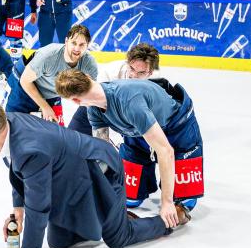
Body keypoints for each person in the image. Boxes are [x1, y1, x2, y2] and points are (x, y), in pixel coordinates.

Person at [0, 99, 190, 248]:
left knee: (118, 238)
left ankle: (169, 219)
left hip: (100, 170)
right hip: (72, 177)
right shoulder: (6, 121)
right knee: (59, 242)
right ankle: (113, 213)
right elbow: (17, 169)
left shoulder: (30, 150)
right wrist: (17, 212)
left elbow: (38, 210)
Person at [55, 69, 204, 218]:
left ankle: (180, 202)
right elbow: (103, 156)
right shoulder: (94, 111)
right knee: (131, 198)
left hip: (177, 128)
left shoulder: (130, 102)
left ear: (75, 100)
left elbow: (166, 151)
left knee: (185, 200)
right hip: (137, 131)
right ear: (87, 77)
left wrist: (167, 202)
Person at [6, 24, 98, 125]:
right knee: (13, 128)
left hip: (53, 94)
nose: (77, 48)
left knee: (57, 134)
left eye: (82, 45)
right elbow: (25, 81)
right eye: (74, 43)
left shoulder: (89, 64)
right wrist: (45, 107)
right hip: (24, 89)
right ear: (66, 41)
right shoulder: (48, 55)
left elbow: (90, 91)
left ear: (87, 45)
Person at [68, 43, 160, 137]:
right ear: (127, 62)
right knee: (72, 137)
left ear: (150, 73)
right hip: (97, 104)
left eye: (141, 72)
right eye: (131, 68)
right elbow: (98, 109)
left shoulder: (155, 86)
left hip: (131, 112)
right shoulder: (110, 73)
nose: (134, 75)